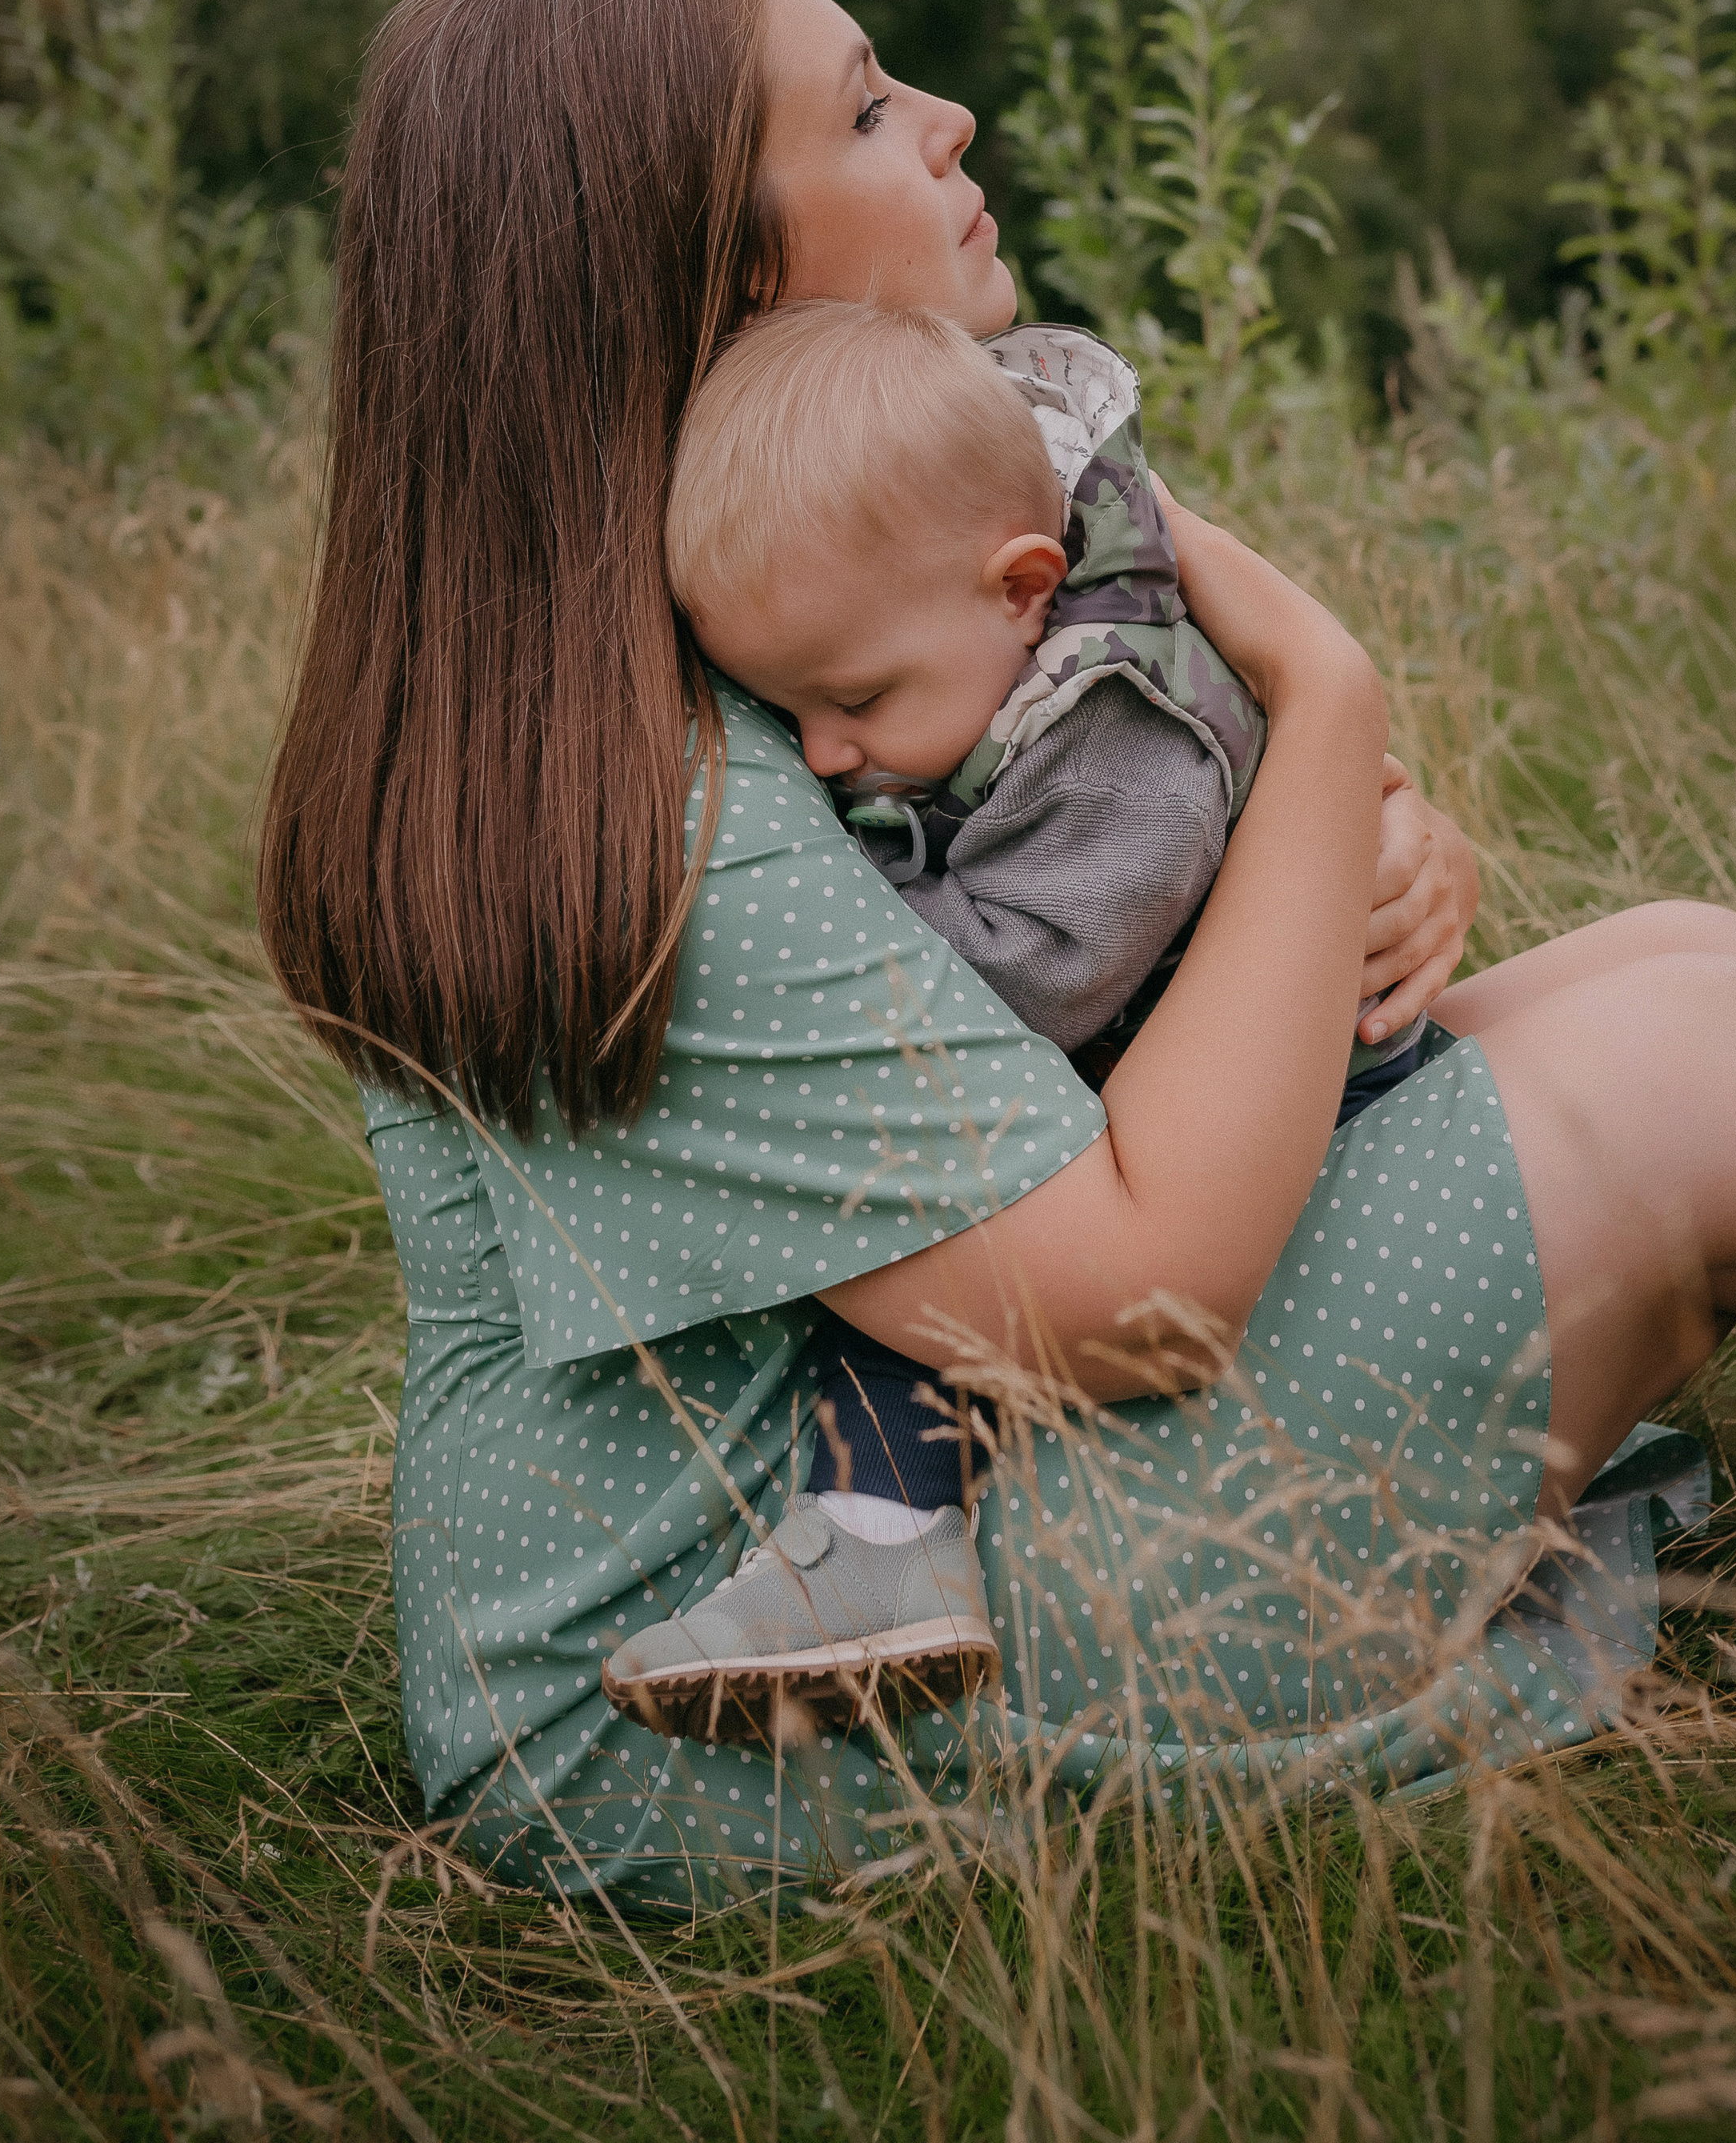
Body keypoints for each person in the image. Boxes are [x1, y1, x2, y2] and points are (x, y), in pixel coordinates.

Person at [258, 0, 1736, 1914]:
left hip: (910, 1510)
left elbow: (1133, 838)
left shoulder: (740, 625)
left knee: (1676, 959)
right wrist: (1328, 710)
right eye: (873, 108)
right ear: (721, 270)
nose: (954, 122)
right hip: (733, 1672)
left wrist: (1344, 851)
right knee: (1701, 1075)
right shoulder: (662, 811)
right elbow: (1138, 1300)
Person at [600, 294, 1433, 1737]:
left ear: (1021, 583)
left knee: (937, 1250)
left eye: (853, 698)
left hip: (1280, 1100)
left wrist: (849, 932)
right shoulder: (993, 643)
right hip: (1179, 1092)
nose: (823, 753)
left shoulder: (1115, 728)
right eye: (783, 711)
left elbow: (1046, 967)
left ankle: (876, 1546)